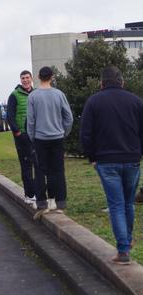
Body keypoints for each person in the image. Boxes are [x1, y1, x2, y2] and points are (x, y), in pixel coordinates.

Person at [80, 66, 143, 265]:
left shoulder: (94, 101)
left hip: (106, 161)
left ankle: (123, 250)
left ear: (101, 83)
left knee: (116, 205)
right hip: (132, 159)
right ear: (122, 82)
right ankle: (128, 240)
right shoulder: (136, 101)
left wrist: (92, 157)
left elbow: (85, 133)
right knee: (128, 203)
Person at [27, 66, 73, 219]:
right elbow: (69, 117)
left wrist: (32, 137)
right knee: (58, 170)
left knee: (40, 171)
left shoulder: (33, 96)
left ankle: (42, 203)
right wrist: (64, 132)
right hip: (57, 137)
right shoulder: (59, 94)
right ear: (52, 77)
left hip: (40, 138)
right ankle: (59, 203)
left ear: (38, 77)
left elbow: (31, 121)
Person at [7, 70, 37, 205]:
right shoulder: (14, 95)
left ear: (31, 78)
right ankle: (29, 194)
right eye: (23, 78)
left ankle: (38, 192)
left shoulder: (36, 93)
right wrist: (17, 132)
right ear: (20, 80)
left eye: (27, 77)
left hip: (36, 135)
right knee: (26, 165)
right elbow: (10, 116)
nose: (25, 80)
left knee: (38, 165)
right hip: (22, 135)